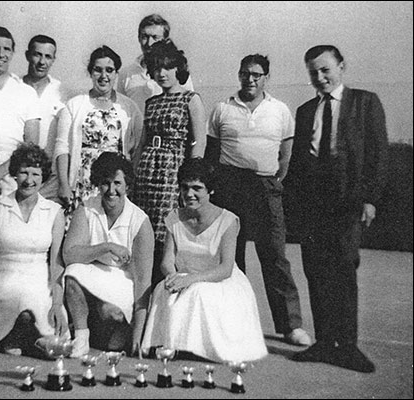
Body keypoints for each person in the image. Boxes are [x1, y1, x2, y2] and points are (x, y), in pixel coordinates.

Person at [287, 45, 388, 373]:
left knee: (344, 269)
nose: (320, 77)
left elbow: (377, 154)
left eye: (325, 69)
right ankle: (323, 342)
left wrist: (370, 198)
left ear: (341, 67)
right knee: (315, 270)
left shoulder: (365, 102)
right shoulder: (305, 111)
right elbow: (300, 163)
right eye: (313, 72)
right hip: (313, 202)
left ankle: (348, 347)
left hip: (347, 199)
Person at [205, 54, 311, 347]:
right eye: (244, 73)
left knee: (275, 255)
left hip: (265, 187)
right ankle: (232, 322)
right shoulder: (222, 108)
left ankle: (290, 326)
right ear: (239, 75)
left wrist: (274, 180)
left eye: (256, 74)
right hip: (229, 186)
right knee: (230, 257)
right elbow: (211, 154)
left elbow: (286, 153)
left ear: (266, 77)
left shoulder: (279, 110)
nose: (249, 79)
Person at [141, 158, 268, 363]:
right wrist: (173, 277)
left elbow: (226, 268)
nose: (189, 194)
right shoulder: (173, 217)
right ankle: (173, 344)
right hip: (183, 276)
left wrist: (191, 280)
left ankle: (196, 347)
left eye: (197, 188)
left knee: (199, 292)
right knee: (163, 290)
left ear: (211, 191)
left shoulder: (228, 221)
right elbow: (167, 261)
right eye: (184, 187)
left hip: (219, 281)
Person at [0, 143, 68, 356]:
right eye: (23, 172)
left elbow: (57, 262)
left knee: (35, 301)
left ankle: (27, 334)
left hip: (39, 279)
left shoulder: (54, 212)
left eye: (36, 173)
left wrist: (58, 304)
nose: (29, 180)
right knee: (15, 295)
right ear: (14, 174)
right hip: (6, 278)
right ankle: (18, 334)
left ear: (43, 177)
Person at [59, 152, 154, 357]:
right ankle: (81, 338)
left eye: (118, 183)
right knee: (73, 273)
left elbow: (143, 282)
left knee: (112, 326)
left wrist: (138, 337)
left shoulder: (140, 221)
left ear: (127, 185)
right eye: (105, 183)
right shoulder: (86, 209)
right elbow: (69, 254)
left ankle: (110, 327)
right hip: (92, 270)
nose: (111, 190)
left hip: (123, 280)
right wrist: (106, 247)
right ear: (97, 184)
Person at [133, 39, 207, 289]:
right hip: (147, 172)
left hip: (173, 171)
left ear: (178, 69)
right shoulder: (151, 103)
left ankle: (166, 291)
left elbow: (199, 142)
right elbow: (142, 143)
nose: (162, 73)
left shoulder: (190, 99)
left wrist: (191, 180)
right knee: (144, 231)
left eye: (167, 68)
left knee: (166, 232)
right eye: (156, 68)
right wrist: (134, 173)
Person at [54, 45, 143, 211]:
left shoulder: (129, 107)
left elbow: (138, 146)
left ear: (116, 73)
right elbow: (62, 148)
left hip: (113, 188)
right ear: (90, 72)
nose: (104, 76)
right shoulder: (74, 105)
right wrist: (64, 185)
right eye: (98, 70)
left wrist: (130, 180)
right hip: (81, 185)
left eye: (109, 70)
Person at [0, 26, 40, 195]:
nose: (1, 54)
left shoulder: (26, 92)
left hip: (13, 175)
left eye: (6, 49)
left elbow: (31, 143)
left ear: (12, 53)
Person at [22, 34, 68, 202]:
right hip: (19, 177)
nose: (42, 62)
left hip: (50, 180)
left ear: (54, 59)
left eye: (48, 56)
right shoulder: (15, 88)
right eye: (37, 54)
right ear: (28, 55)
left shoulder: (62, 92)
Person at [117, 13, 194, 113]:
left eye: (155, 37)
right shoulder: (126, 73)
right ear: (138, 38)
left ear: (165, 39)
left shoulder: (176, 70)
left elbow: (190, 106)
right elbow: (121, 111)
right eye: (144, 37)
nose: (149, 43)